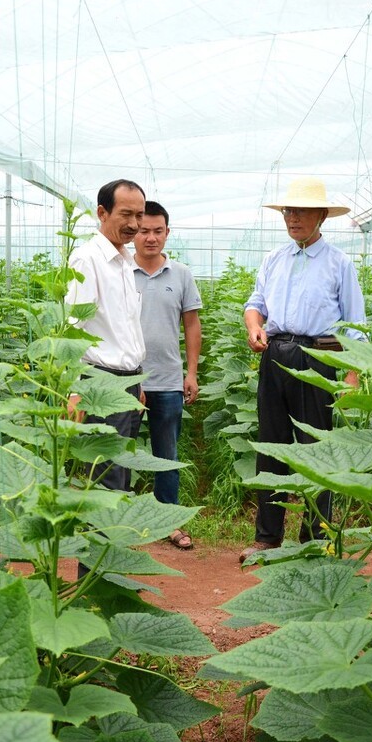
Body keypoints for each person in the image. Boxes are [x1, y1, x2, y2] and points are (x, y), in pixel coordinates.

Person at [241, 177, 367, 564]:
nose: (292, 218)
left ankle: (316, 537)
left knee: (317, 448)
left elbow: (355, 325)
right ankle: (267, 537)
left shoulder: (339, 263)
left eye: (301, 211)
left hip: (318, 357)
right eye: (288, 211)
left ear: (322, 216)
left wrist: (351, 377)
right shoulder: (274, 259)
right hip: (275, 354)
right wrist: (254, 327)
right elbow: (255, 304)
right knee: (272, 445)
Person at [65, 179, 147, 493]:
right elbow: (73, 327)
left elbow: (125, 327)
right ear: (102, 212)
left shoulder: (124, 261)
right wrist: (74, 391)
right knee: (104, 479)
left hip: (127, 382)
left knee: (120, 471)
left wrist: (136, 382)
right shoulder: (88, 259)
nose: (134, 224)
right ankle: (101, 528)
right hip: (99, 384)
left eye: (139, 215)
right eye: (126, 214)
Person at [133, 200, 202, 549]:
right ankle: (117, 522)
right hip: (125, 379)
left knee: (166, 456)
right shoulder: (120, 270)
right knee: (117, 453)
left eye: (157, 231)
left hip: (168, 379)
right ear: (134, 231)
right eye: (144, 230)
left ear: (167, 233)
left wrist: (192, 372)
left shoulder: (181, 274)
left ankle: (169, 522)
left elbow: (192, 325)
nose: (151, 237)